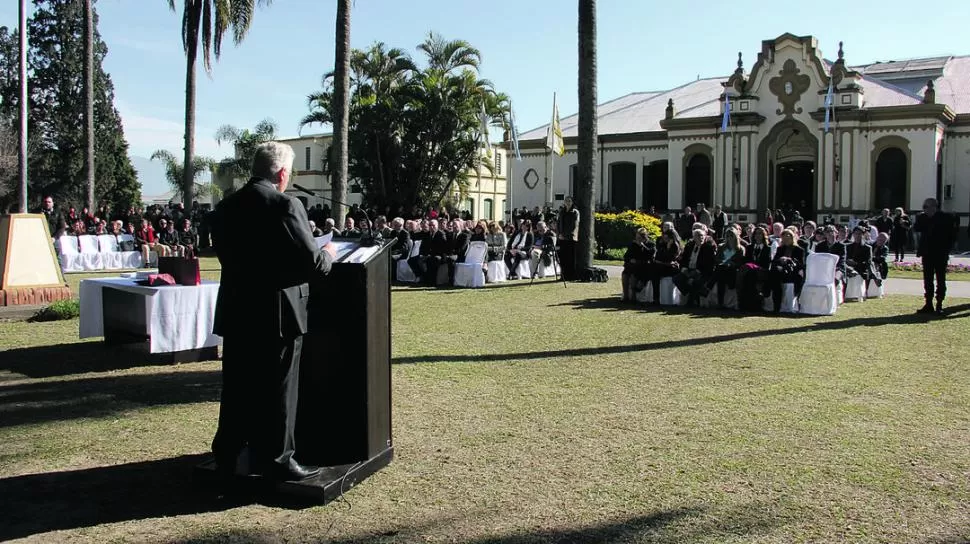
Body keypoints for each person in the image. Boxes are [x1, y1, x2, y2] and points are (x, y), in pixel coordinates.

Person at [209, 141, 337, 482]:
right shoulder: (285, 204)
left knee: (236, 387)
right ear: (282, 173)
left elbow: (230, 257)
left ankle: (227, 454)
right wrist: (329, 253)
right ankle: (278, 459)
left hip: (238, 311)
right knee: (280, 388)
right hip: (277, 314)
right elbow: (312, 262)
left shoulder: (226, 207)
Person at [913, 198, 958, 314]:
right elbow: (917, 228)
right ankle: (928, 304)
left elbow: (951, 236)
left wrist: (947, 250)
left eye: (925, 207)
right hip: (927, 254)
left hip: (940, 253)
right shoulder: (922, 218)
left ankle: (939, 304)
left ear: (933, 207)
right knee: (927, 280)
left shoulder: (945, 218)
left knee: (940, 279)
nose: (924, 209)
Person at [621, 228, 656, 302]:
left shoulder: (650, 244)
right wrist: (631, 259)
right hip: (633, 265)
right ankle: (626, 295)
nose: (638, 239)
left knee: (634, 275)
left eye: (640, 237)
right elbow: (626, 256)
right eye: (637, 237)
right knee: (625, 274)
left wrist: (642, 246)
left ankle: (633, 295)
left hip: (644, 265)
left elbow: (650, 255)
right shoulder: (633, 244)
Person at [558, 197, 580, 280]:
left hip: (571, 238)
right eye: (566, 201)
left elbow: (574, 226)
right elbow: (559, 223)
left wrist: (566, 235)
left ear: (572, 202)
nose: (567, 202)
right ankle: (563, 276)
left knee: (570, 258)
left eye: (569, 201)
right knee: (563, 258)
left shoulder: (575, 212)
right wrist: (559, 234)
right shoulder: (562, 211)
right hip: (562, 238)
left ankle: (571, 276)